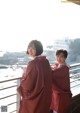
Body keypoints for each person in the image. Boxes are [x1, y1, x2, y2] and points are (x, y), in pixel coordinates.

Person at [17, 40, 52, 113]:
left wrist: (24, 75)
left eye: (33, 48)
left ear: (38, 49)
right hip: (45, 97)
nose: (30, 50)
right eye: (29, 47)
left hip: (36, 100)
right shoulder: (46, 61)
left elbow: (28, 85)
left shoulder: (32, 63)